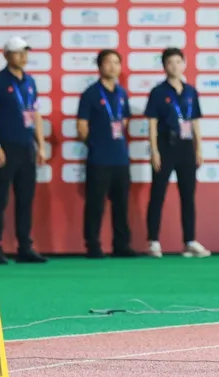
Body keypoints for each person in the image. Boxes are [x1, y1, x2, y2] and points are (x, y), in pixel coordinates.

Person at [0, 36, 47, 264]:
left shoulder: (30, 82)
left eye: (25, 52)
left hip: (26, 147)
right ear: (6, 55)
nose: (23, 56)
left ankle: (24, 247)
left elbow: (36, 114)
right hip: (6, 147)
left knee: (25, 199)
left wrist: (40, 144)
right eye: (18, 52)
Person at [144, 47, 209, 259]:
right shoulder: (158, 92)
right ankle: (153, 241)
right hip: (165, 146)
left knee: (188, 196)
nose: (174, 66)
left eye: (178, 62)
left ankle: (190, 241)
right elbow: (152, 124)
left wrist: (198, 148)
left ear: (184, 64)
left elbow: (195, 122)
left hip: (186, 147)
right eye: (170, 62)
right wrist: (154, 151)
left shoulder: (191, 91)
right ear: (164, 66)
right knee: (158, 194)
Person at [76, 49, 136, 258]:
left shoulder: (122, 94)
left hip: (120, 158)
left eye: (116, 63)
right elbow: (82, 126)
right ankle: (93, 245)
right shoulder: (91, 94)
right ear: (100, 67)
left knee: (121, 204)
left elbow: (125, 121)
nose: (113, 67)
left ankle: (122, 245)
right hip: (99, 159)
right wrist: (95, 142)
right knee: (95, 205)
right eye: (108, 62)